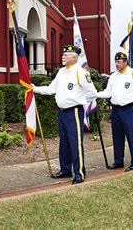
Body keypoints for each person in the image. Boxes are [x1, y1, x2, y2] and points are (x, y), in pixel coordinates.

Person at [33, 45, 97, 184]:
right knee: (64, 143)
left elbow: (92, 93)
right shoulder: (61, 72)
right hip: (62, 112)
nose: (63, 56)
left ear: (75, 57)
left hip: (74, 111)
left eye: (66, 54)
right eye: (63, 54)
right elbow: (51, 89)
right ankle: (65, 170)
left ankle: (79, 172)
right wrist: (34, 89)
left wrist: (78, 100)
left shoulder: (81, 73)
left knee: (75, 142)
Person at [96, 52, 133, 172]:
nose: (116, 64)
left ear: (125, 62)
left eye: (119, 62)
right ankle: (118, 161)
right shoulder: (113, 76)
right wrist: (95, 95)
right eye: (115, 61)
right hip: (116, 110)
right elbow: (108, 92)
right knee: (117, 136)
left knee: (132, 136)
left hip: (130, 109)